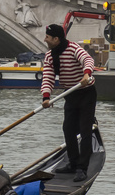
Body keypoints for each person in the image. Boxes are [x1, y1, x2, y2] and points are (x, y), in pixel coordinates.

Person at [41, 22, 97, 180]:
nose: (45, 39)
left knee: (85, 130)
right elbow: (48, 77)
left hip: (86, 92)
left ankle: (82, 168)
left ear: (56, 39)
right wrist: (46, 97)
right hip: (70, 94)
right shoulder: (49, 56)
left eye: (47, 37)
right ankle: (73, 163)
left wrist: (86, 74)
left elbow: (87, 60)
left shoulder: (73, 48)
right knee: (68, 129)